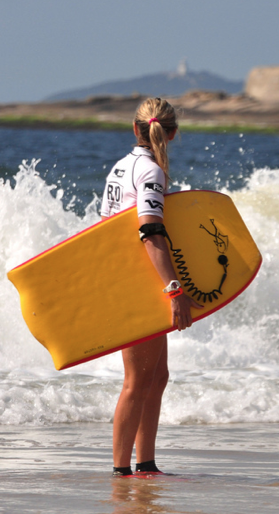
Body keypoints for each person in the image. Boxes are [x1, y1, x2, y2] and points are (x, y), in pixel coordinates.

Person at [100, 97, 203, 477]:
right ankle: (121, 471)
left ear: (134, 127)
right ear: (172, 133)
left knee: (156, 377)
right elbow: (150, 231)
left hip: (130, 277)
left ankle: (145, 464)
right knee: (137, 380)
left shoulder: (121, 167)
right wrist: (175, 290)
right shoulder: (150, 172)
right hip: (139, 284)